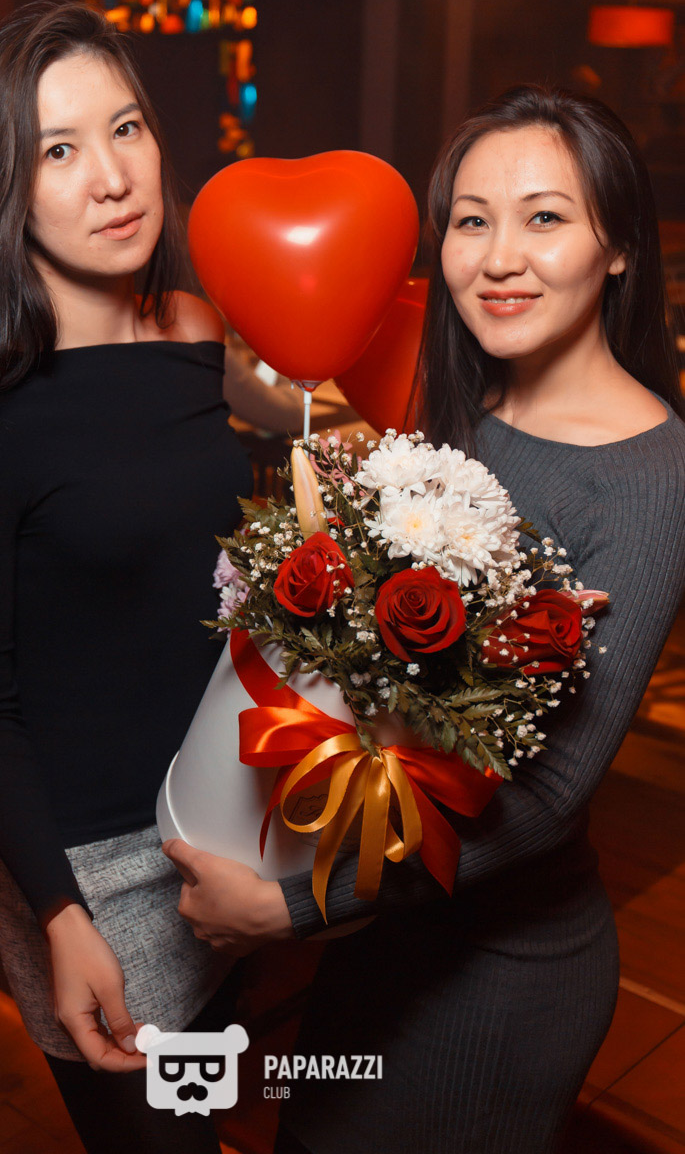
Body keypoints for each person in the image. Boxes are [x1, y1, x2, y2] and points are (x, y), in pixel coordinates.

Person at [162, 84, 685, 1153]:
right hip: (383, 935)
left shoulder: (653, 475)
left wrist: (288, 911)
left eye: (545, 217)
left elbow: (542, 800)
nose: (499, 258)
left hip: (500, 969)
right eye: (470, 220)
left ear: (620, 247)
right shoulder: (463, 410)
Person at [0, 0, 256, 1153]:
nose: (112, 177)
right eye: (59, 149)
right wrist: (60, 914)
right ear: (4, 187)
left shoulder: (192, 329)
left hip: (230, 822)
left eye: (126, 127)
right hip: (86, 868)